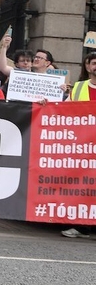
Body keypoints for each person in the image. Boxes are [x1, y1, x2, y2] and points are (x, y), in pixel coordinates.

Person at [60, 52, 96, 238]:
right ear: (88, 66)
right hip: (83, 147)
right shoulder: (79, 87)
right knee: (84, 187)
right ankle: (82, 226)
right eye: (94, 63)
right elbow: (64, 110)